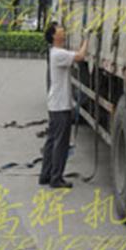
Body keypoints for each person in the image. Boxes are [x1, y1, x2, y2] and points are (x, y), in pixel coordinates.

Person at [39, 22, 89, 188]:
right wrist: (87, 39)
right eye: (60, 28)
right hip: (60, 106)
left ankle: (46, 175)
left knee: (52, 141)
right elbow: (80, 56)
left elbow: (75, 54)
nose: (63, 30)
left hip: (55, 104)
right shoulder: (58, 54)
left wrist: (82, 43)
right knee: (60, 144)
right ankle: (56, 178)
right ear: (54, 35)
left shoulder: (56, 53)